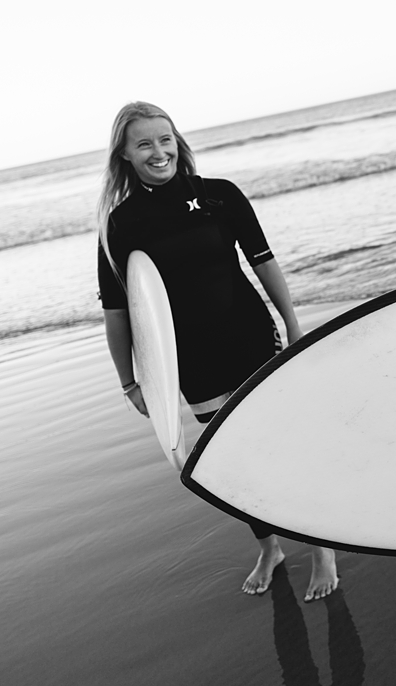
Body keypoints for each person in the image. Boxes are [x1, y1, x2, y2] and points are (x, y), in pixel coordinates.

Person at [96, 101, 338, 600]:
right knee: (236, 461)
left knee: (288, 444)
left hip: (253, 338)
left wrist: (293, 326)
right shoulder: (120, 226)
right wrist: (130, 381)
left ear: (177, 141)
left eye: (165, 139)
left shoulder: (219, 196)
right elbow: (119, 313)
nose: (158, 151)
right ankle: (270, 545)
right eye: (144, 143)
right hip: (195, 362)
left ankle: (321, 550)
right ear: (124, 154)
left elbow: (264, 262)